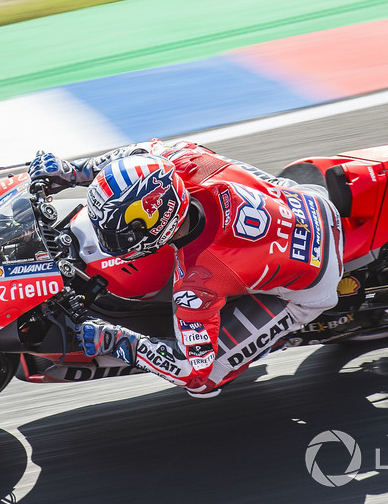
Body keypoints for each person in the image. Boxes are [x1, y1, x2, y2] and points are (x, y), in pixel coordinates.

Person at [28, 139, 343, 397]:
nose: (115, 242)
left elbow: (193, 372)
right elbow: (134, 155)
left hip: (313, 280)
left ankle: (284, 330)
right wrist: (73, 173)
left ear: (158, 220)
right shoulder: (183, 161)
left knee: (207, 381)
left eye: (122, 234)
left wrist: (114, 340)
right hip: (303, 201)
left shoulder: (198, 281)